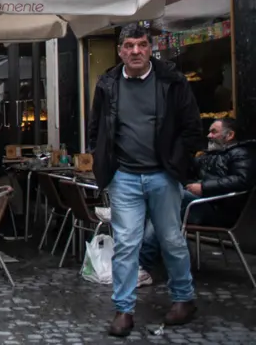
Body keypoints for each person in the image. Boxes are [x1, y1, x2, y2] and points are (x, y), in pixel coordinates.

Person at [89, 23, 202, 337]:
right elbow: (96, 128)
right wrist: (100, 160)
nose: (135, 51)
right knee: (126, 245)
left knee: (171, 240)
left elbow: (192, 128)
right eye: (129, 46)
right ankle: (123, 310)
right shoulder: (108, 83)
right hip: (124, 177)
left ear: (150, 48)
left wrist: (175, 162)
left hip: (163, 176)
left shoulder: (172, 81)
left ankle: (184, 299)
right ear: (120, 51)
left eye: (141, 45)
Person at [138, 117, 254, 284]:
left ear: (229, 135)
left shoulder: (242, 153)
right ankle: (151, 262)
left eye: (214, 131)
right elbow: (187, 170)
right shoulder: (210, 155)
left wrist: (204, 187)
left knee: (164, 203)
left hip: (220, 210)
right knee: (160, 202)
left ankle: (143, 263)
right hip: (202, 203)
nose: (209, 135)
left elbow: (242, 181)